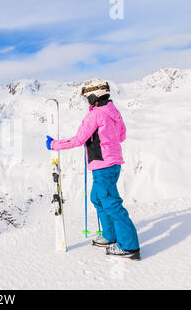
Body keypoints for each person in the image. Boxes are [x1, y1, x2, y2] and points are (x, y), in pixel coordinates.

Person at [45, 80, 141, 260]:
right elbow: (121, 136)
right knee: (97, 198)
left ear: (94, 96)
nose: (87, 101)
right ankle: (110, 235)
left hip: (103, 166)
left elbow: (78, 140)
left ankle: (129, 246)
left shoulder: (95, 115)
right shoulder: (114, 112)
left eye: (87, 97)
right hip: (113, 164)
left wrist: (53, 144)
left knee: (112, 204)